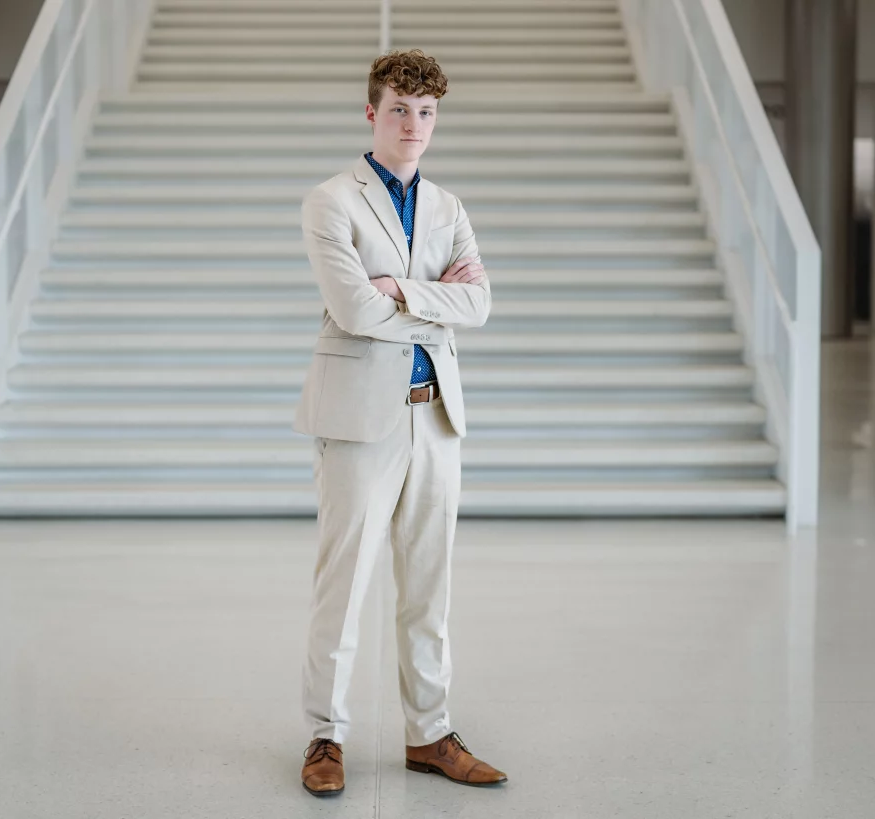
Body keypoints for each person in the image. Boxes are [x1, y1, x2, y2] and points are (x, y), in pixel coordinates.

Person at [293, 48, 505, 796]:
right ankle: (326, 735)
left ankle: (430, 734)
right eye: (399, 110)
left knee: (428, 587)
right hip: (357, 422)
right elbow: (352, 310)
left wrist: (401, 290)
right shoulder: (331, 201)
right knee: (343, 584)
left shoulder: (449, 208)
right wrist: (432, 300)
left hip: (435, 417)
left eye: (427, 112)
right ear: (371, 113)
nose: (414, 125)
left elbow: (479, 304)